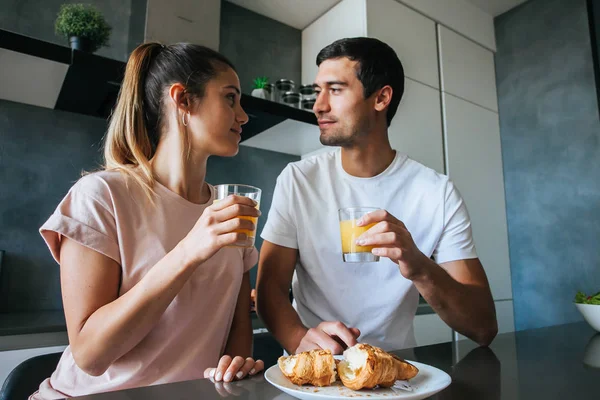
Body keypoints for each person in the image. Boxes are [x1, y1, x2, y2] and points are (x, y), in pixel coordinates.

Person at [31, 42, 263, 399]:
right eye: (230, 98)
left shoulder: (226, 209)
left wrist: (237, 364)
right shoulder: (101, 196)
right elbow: (91, 356)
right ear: (183, 100)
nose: (243, 115)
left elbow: (237, 326)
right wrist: (189, 250)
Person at [256, 37, 498, 355]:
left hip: (394, 377)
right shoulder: (299, 179)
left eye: (336, 89)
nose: (318, 105)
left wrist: (420, 266)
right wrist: (300, 342)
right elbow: (269, 290)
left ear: (381, 98)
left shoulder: (436, 193)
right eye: (318, 91)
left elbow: (484, 327)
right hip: (313, 376)